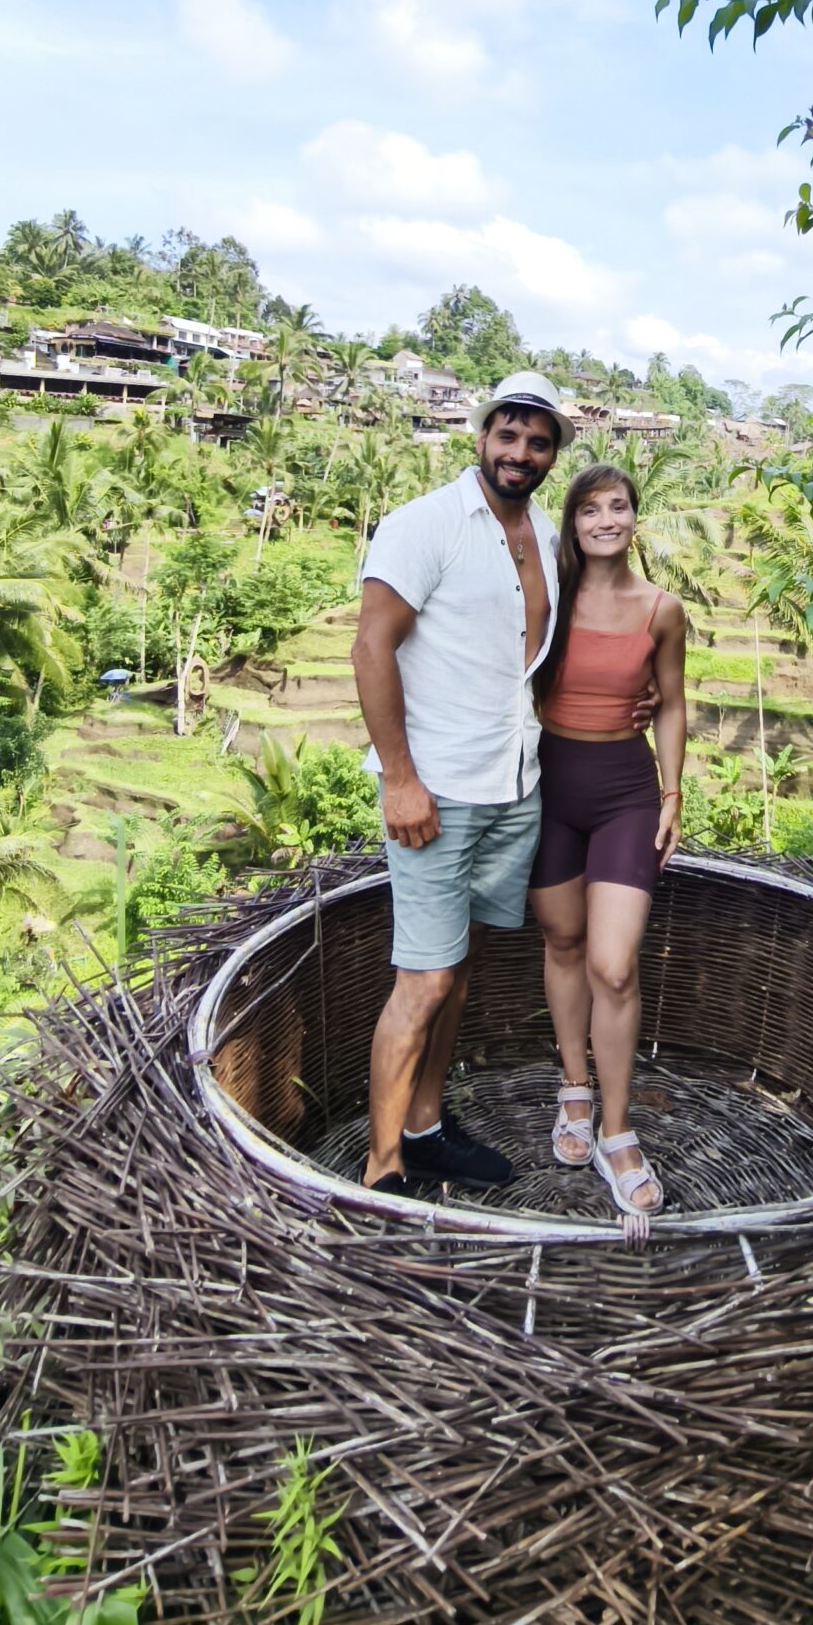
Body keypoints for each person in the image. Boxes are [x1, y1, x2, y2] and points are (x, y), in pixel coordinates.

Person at [351, 370, 574, 1196]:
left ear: (552, 455)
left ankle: (426, 1128)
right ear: (481, 437)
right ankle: (382, 1170)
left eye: (537, 441)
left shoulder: (544, 534)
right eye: (507, 435)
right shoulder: (425, 524)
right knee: (424, 980)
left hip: (513, 786)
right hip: (436, 791)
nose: (520, 452)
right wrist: (400, 780)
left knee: (462, 966)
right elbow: (371, 646)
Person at [528, 463, 687, 1217]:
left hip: (626, 792)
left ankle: (617, 1133)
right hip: (545, 788)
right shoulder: (545, 597)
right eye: (589, 510)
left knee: (614, 966)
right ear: (572, 522)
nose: (604, 521)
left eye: (617, 507)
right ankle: (575, 1090)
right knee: (563, 942)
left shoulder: (662, 608)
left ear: (634, 518)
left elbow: (672, 703)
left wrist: (673, 792)